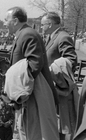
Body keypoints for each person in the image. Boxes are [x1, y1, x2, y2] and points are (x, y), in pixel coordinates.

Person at [4, 6, 59, 140]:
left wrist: (19, 91)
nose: (4, 23)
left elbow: (34, 64)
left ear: (15, 21)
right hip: (27, 93)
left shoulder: (27, 34)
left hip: (31, 95)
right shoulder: (24, 34)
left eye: (6, 20)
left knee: (31, 132)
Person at [41, 12, 78, 140]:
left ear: (50, 24)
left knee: (60, 124)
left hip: (59, 87)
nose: (41, 27)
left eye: (42, 25)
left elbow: (71, 59)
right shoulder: (51, 37)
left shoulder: (63, 37)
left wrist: (52, 70)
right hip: (51, 87)